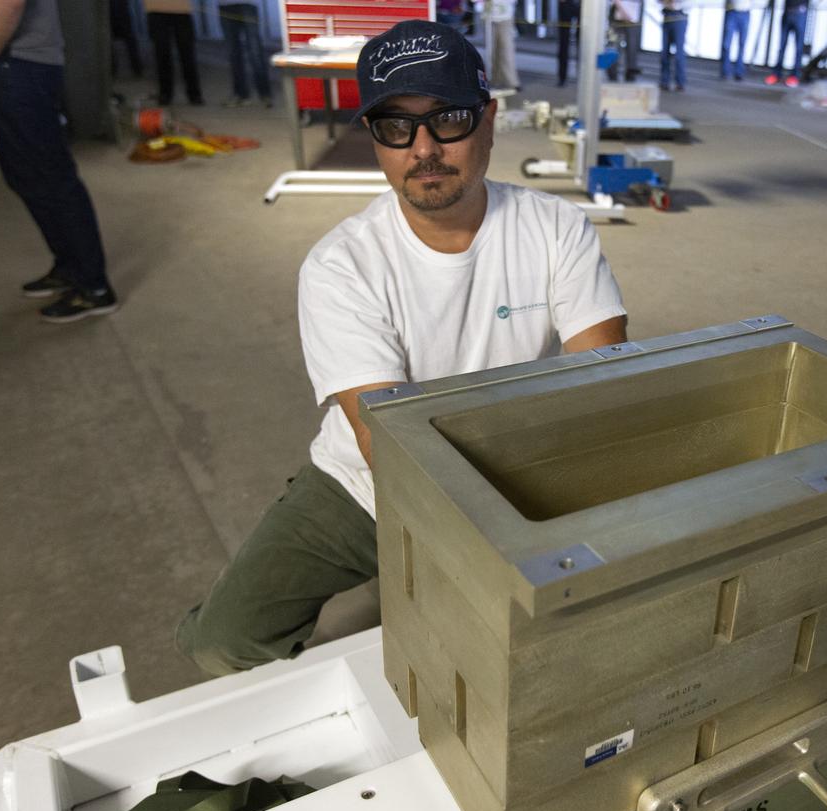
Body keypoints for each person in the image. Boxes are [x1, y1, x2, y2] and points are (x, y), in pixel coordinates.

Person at [175, 20, 629, 676]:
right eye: (395, 126)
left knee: (513, 654)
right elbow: (385, 447)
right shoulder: (342, 265)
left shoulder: (555, 229)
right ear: (375, 139)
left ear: (490, 120)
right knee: (221, 639)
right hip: (364, 484)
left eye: (448, 119)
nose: (424, 149)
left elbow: (606, 386)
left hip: (523, 474)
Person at [0, 0, 119, 322]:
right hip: (11, 61)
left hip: (18, 63)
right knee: (25, 176)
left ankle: (94, 287)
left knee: (52, 177)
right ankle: (69, 268)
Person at [145, 0, 203, 106]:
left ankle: (194, 94)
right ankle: (165, 93)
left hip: (181, 10)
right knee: (162, 53)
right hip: (156, 9)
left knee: (187, 53)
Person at [219, 2, 272, 107]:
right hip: (224, 4)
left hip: (248, 3)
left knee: (255, 51)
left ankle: (264, 94)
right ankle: (240, 95)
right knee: (233, 52)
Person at [765, 0, 806, 87]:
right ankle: (776, 74)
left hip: (800, 14)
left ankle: (794, 76)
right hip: (787, 13)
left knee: (798, 48)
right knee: (781, 46)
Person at [488, 0, 520, 91]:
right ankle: (495, 80)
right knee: (493, 52)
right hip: (489, 18)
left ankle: (512, 81)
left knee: (507, 50)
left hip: (506, 17)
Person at [659, 0, 688, 92]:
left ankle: (680, 82)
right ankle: (664, 81)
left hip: (680, 16)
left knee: (679, 54)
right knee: (664, 53)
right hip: (667, 16)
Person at [719, 0, 751, 82]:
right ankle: (725, 71)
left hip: (745, 12)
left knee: (742, 44)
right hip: (731, 12)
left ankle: (739, 72)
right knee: (726, 44)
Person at [556, 0, 580, 86]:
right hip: (566, 3)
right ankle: (562, 78)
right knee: (563, 42)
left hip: (585, 4)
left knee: (583, 42)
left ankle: (582, 76)